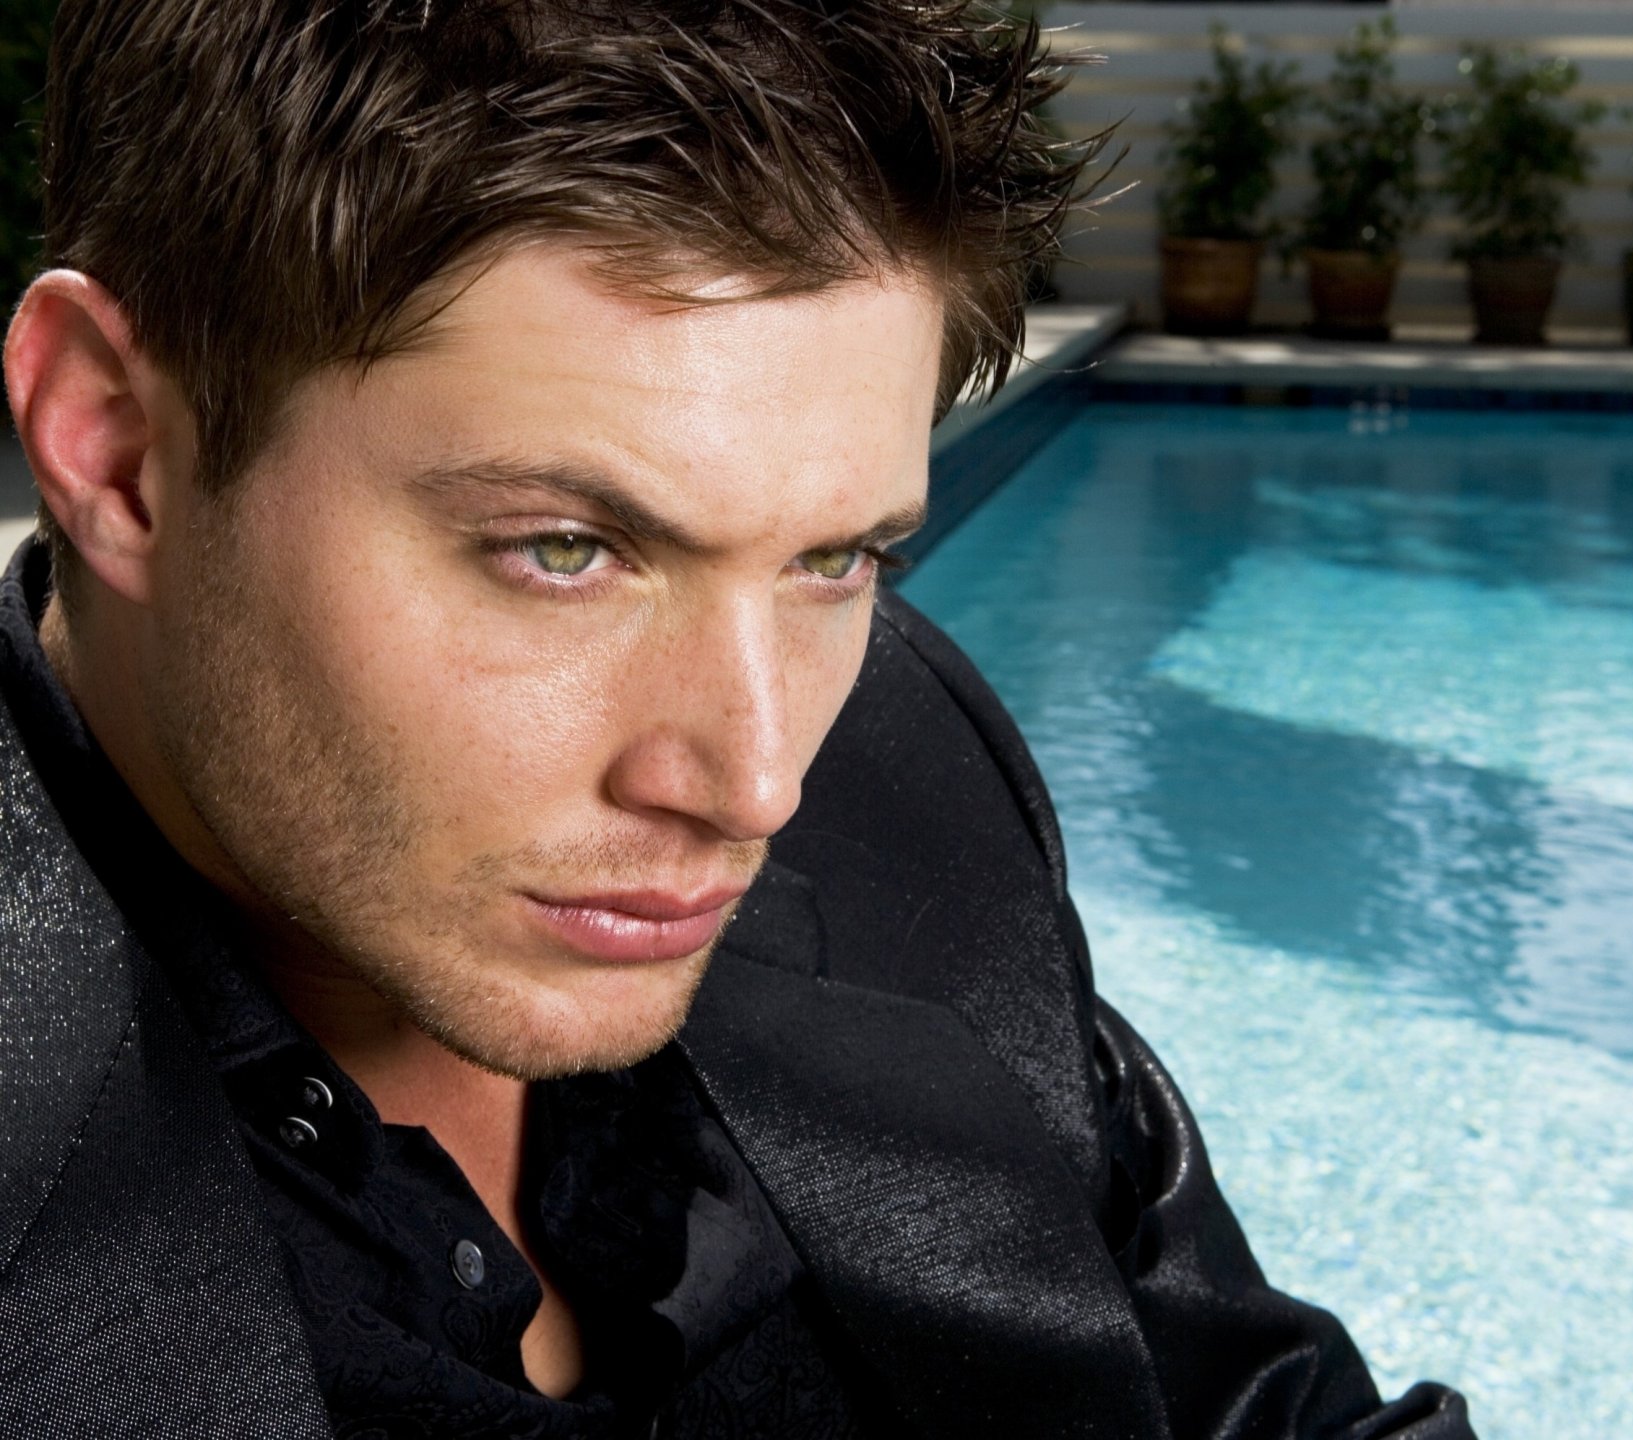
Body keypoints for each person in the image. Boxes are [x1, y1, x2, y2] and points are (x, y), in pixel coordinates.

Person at [0, 1, 1476, 1435]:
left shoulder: (911, 768)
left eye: (833, 560)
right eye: (564, 550)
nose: (758, 781)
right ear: (121, 450)